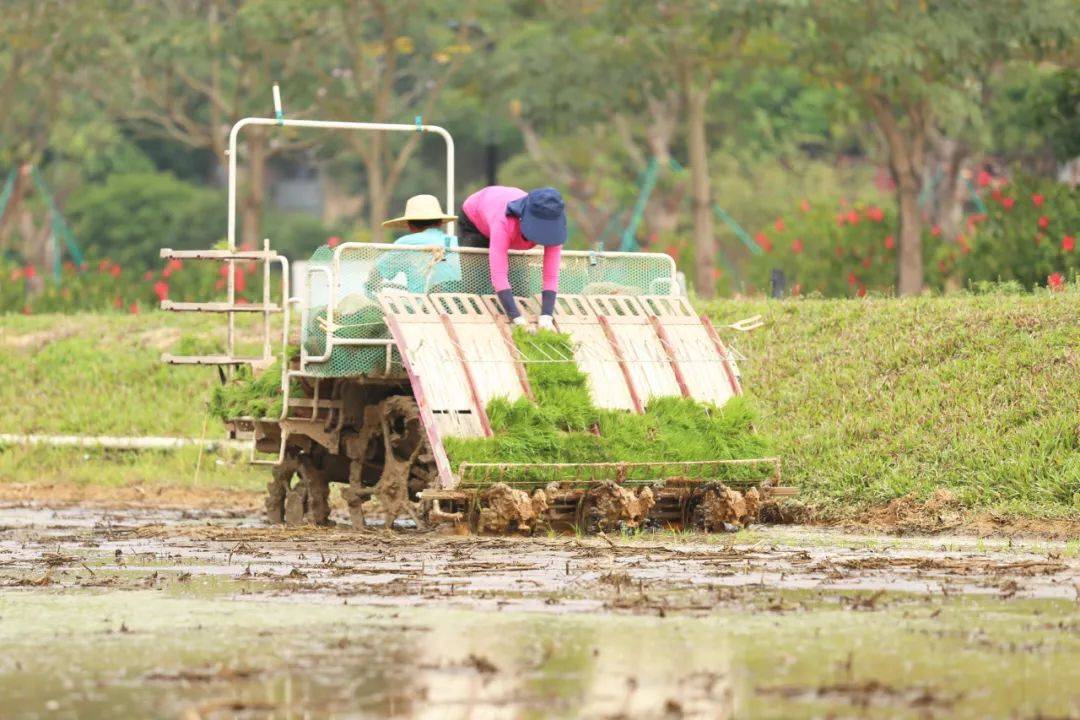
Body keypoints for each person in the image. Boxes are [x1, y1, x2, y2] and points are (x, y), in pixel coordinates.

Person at [458, 186, 566, 329]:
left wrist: (546, 315)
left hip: (508, 227)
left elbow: (551, 275)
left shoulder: (555, 227)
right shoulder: (504, 221)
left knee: (519, 288)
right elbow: (499, 274)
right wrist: (515, 317)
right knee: (478, 286)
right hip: (475, 218)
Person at [366, 194, 461, 295]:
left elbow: (377, 272)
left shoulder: (406, 244)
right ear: (441, 223)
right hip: (465, 306)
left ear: (409, 225)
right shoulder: (458, 242)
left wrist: (369, 287)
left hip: (423, 308)